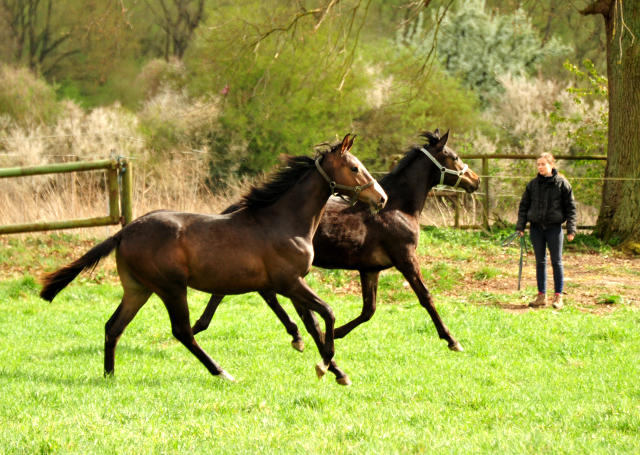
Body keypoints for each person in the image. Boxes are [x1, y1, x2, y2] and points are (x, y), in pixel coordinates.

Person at [516, 153, 577, 309]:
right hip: (536, 229)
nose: (540, 167)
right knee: (540, 262)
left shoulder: (563, 184)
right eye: (538, 164)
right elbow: (524, 207)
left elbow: (571, 208)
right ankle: (541, 296)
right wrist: (520, 227)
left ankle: (558, 297)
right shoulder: (532, 185)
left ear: (551, 165)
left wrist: (571, 228)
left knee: (557, 262)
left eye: (543, 164)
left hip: (554, 229)